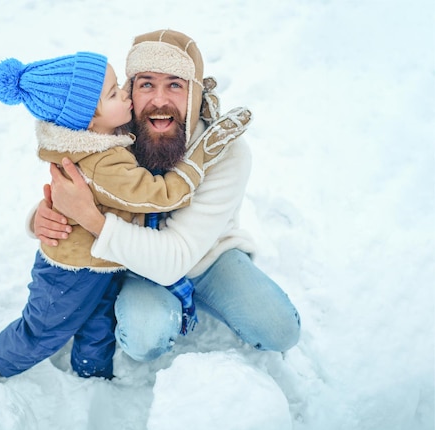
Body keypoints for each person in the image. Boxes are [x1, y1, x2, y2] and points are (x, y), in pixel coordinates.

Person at [0, 50, 251, 380]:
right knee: (46, 327)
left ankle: (92, 371)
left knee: (98, 320)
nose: (125, 94)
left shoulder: (105, 137)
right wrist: (198, 160)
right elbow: (158, 195)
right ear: (89, 120)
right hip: (70, 269)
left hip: (102, 260)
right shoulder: (104, 161)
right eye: (114, 93)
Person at [33, 29, 301, 363]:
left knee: (279, 329)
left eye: (174, 84)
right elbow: (79, 190)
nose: (159, 100)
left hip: (206, 255)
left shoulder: (224, 151)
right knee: (145, 337)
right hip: (132, 264)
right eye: (146, 83)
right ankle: (144, 307)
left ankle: (205, 296)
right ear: (131, 89)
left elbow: (175, 256)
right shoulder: (112, 131)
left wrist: (91, 220)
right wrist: (41, 217)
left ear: (195, 93)